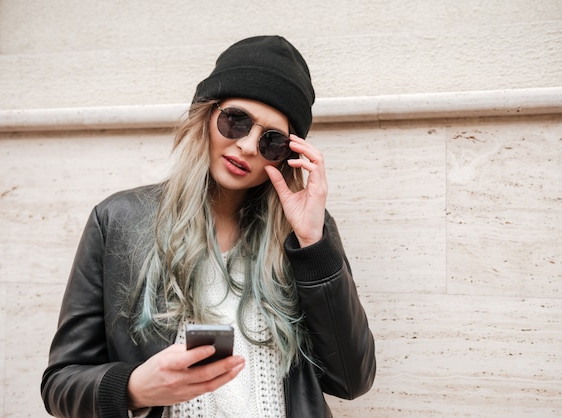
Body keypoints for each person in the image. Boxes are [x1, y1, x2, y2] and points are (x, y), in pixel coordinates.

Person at [41, 35, 376, 418]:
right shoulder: (118, 220)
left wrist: (313, 243)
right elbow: (60, 383)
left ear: (287, 157)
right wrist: (133, 387)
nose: (248, 146)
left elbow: (353, 380)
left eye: (272, 141)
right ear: (206, 115)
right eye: (236, 121)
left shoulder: (303, 233)